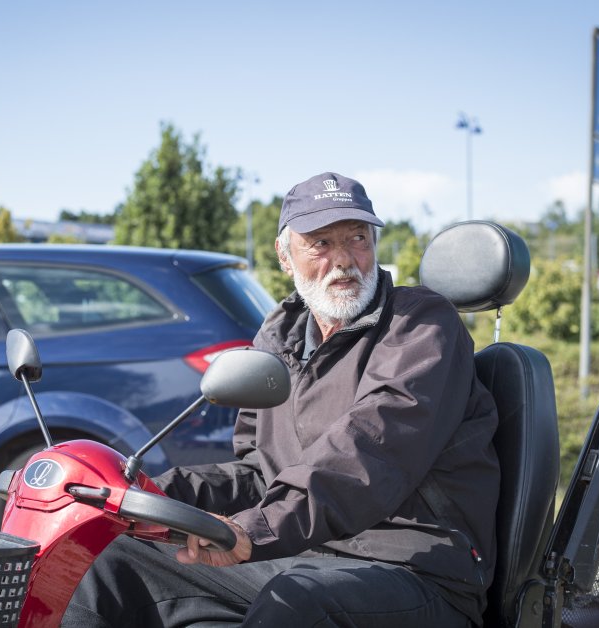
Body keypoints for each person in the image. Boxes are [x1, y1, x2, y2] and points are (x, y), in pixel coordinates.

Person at [63, 172, 500, 627]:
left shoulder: (421, 325)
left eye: (358, 238)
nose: (345, 260)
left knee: (297, 601)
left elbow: (372, 447)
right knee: (109, 562)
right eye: (321, 243)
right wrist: (145, 495)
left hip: (415, 568)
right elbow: (258, 473)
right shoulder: (281, 337)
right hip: (304, 556)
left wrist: (258, 529)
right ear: (285, 256)